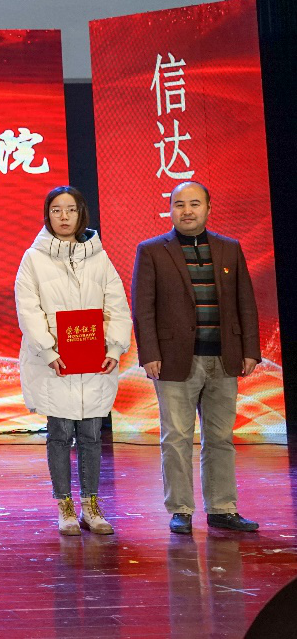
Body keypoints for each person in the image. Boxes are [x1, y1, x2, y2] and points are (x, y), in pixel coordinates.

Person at [132, 180, 261, 535]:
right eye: (179, 204)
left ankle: (222, 508)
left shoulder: (229, 248)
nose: (187, 211)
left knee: (220, 438)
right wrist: (149, 353)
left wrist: (250, 350)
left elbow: (246, 303)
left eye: (194, 204)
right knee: (176, 438)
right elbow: (143, 309)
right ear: (170, 210)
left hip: (224, 357)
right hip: (174, 360)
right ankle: (181, 509)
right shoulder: (152, 250)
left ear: (208, 208)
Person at [14, 186, 132, 536]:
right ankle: (65, 505)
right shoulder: (33, 258)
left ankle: (91, 505)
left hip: (95, 362)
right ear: (47, 215)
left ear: (82, 214)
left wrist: (114, 349)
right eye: (56, 210)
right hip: (55, 363)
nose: (64, 216)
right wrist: (49, 351)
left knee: (92, 434)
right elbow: (28, 309)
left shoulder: (99, 257)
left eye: (70, 209)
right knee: (60, 434)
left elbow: (117, 305)